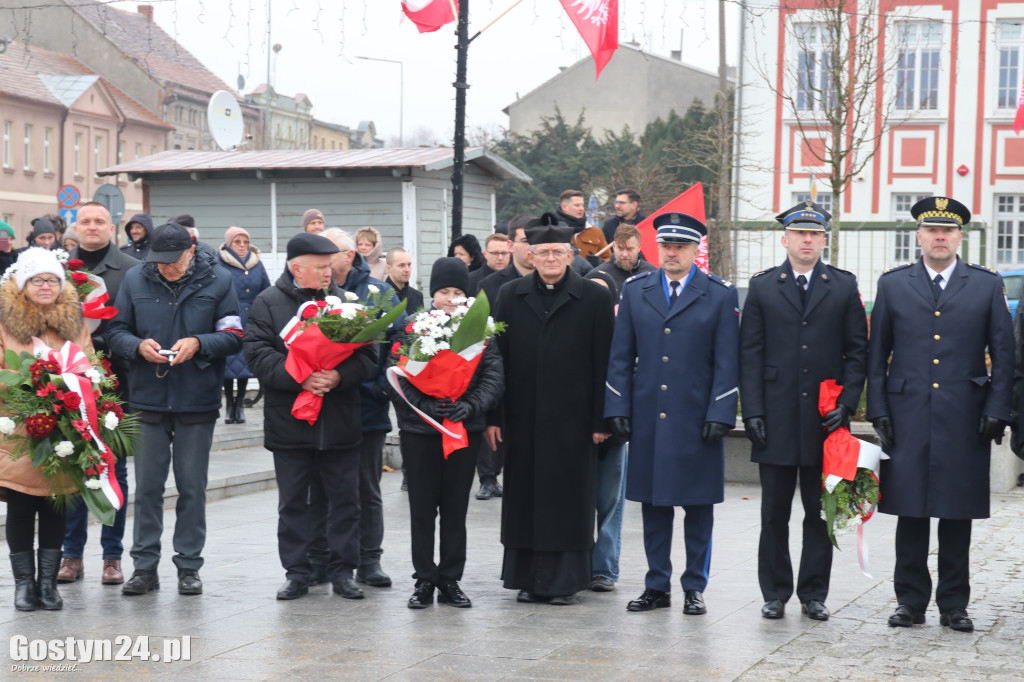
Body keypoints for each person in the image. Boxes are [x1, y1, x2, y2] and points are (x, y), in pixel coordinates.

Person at [867, 196, 1013, 633]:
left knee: (956, 512)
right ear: (919, 236)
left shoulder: (986, 285)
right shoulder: (894, 284)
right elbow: (877, 354)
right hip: (907, 413)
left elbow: (1003, 354)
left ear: (959, 237)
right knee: (910, 511)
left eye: (947, 231)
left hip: (965, 414)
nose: (939, 237)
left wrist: (997, 408)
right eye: (932, 230)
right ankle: (910, 602)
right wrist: (878, 408)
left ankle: (954, 604)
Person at [605, 212, 739, 617]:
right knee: (654, 505)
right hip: (649, 415)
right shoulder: (636, 290)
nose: (672, 253)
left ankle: (694, 586)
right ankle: (656, 584)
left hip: (697, 419)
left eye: (681, 246)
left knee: (698, 508)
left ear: (696, 250)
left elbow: (727, 361)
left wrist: (721, 411)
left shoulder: (719, 294)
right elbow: (620, 356)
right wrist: (618, 405)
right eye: (666, 246)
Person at [739, 201, 868, 622]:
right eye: (799, 234)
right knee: (773, 514)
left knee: (819, 513)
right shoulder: (762, 287)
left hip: (824, 420)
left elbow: (857, 352)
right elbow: (750, 354)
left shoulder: (843, 286)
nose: (807, 240)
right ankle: (775, 592)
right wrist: (752, 411)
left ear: (824, 240)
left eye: (814, 234)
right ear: (786, 239)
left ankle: (814, 593)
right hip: (774, 417)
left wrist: (847, 403)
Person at [106, 223, 242, 597]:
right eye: (160, 261)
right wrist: (136, 347)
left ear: (191, 252)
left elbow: (233, 336)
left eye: (174, 261)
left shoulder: (219, 280)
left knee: (192, 486)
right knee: (148, 488)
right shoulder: (135, 278)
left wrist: (199, 343)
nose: (166, 268)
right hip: (147, 397)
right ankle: (144, 568)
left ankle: (188, 566)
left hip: (196, 398)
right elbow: (115, 330)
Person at [244, 233, 377, 601]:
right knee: (293, 503)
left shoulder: (347, 303)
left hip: (339, 418)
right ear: (296, 268)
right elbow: (257, 353)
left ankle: (342, 571)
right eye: (319, 267)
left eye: (329, 266)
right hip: (290, 421)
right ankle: (297, 573)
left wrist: (338, 375)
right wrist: (300, 376)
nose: (327, 273)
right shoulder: (268, 302)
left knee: (345, 500)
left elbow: (368, 356)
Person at [488, 220, 615, 605]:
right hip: (522, 419)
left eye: (558, 252)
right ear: (530, 256)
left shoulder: (593, 298)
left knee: (569, 501)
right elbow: (495, 361)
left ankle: (564, 583)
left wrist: (602, 420)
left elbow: (605, 362)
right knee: (525, 500)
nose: (550, 259)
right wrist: (493, 416)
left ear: (570, 255)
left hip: (574, 421)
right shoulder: (510, 295)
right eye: (542, 253)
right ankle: (528, 579)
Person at [391, 257, 504, 609]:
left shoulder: (481, 333)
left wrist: (469, 406)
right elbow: (398, 375)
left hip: (462, 430)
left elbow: (493, 376)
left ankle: (451, 579)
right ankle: (424, 579)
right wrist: (424, 404)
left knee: (455, 509)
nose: (451, 299)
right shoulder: (414, 327)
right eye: (444, 292)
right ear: (433, 294)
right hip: (420, 431)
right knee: (423, 509)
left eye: (458, 292)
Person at [0, 248, 91, 611]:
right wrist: (30, 386)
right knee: (21, 506)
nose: (45, 286)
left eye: (52, 279)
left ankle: (49, 585)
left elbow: (89, 364)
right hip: (17, 428)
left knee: (56, 505)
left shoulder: (74, 323)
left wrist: (73, 388)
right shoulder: (5, 323)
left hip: (62, 430)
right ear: (23, 284)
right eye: (37, 279)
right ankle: (24, 585)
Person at [313, 228, 404, 588]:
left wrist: (381, 386)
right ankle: (320, 559)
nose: (321, 261)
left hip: (367, 406)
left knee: (367, 488)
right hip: (323, 406)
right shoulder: (313, 291)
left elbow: (399, 342)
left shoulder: (378, 293)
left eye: (329, 254)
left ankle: (369, 559)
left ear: (349, 256)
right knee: (321, 488)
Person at [57, 201, 141, 587]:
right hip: (63, 388)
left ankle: (112, 556)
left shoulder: (132, 271)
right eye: (85, 221)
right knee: (71, 469)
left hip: (114, 388)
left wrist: (100, 347)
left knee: (114, 471)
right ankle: (71, 555)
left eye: (100, 221)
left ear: (112, 228)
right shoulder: (55, 270)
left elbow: (135, 325)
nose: (92, 227)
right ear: (75, 227)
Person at [218, 226, 271, 424]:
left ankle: (240, 403)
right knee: (228, 361)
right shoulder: (220, 262)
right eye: (237, 242)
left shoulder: (256, 264)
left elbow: (266, 290)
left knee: (244, 362)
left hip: (251, 319)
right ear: (229, 243)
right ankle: (229, 405)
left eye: (246, 242)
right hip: (228, 317)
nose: (242, 246)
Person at [478, 215, 534, 306]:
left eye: (537, 240)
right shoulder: (489, 286)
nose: (532, 247)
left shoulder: (553, 280)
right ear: (511, 246)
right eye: (525, 241)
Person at [587, 224, 656, 293]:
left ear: (639, 247)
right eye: (620, 248)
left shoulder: (652, 274)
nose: (625, 254)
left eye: (630, 249)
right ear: (614, 246)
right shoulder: (598, 277)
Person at [384, 247, 424, 316]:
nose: (407, 270)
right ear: (388, 268)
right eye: (401, 265)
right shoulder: (379, 296)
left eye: (409, 265)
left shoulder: (417, 297)